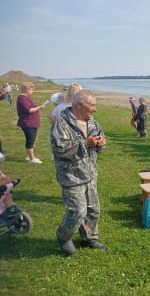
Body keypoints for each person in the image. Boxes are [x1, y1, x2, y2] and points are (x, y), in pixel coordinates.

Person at [51, 90, 107, 255]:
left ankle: (89, 238)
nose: (95, 109)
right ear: (79, 105)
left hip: (90, 174)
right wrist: (85, 143)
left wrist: (101, 143)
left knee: (93, 210)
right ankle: (63, 236)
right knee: (77, 211)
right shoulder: (62, 123)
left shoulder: (92, 122)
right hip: (71, 176)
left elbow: (100, 141)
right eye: (92, 105)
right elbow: (59, 149)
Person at [16, 82, 47, 163]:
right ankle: (32, 158)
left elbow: (31, 107)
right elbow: (29, 110)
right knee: (30, 140)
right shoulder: (22, 98)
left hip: (31, 122)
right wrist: (40, 107)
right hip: (28, 123)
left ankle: (28, 156)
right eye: (32, 89)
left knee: (30, 140)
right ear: (27, 89)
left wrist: (38, 106)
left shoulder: (26, 98)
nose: (32, 91)